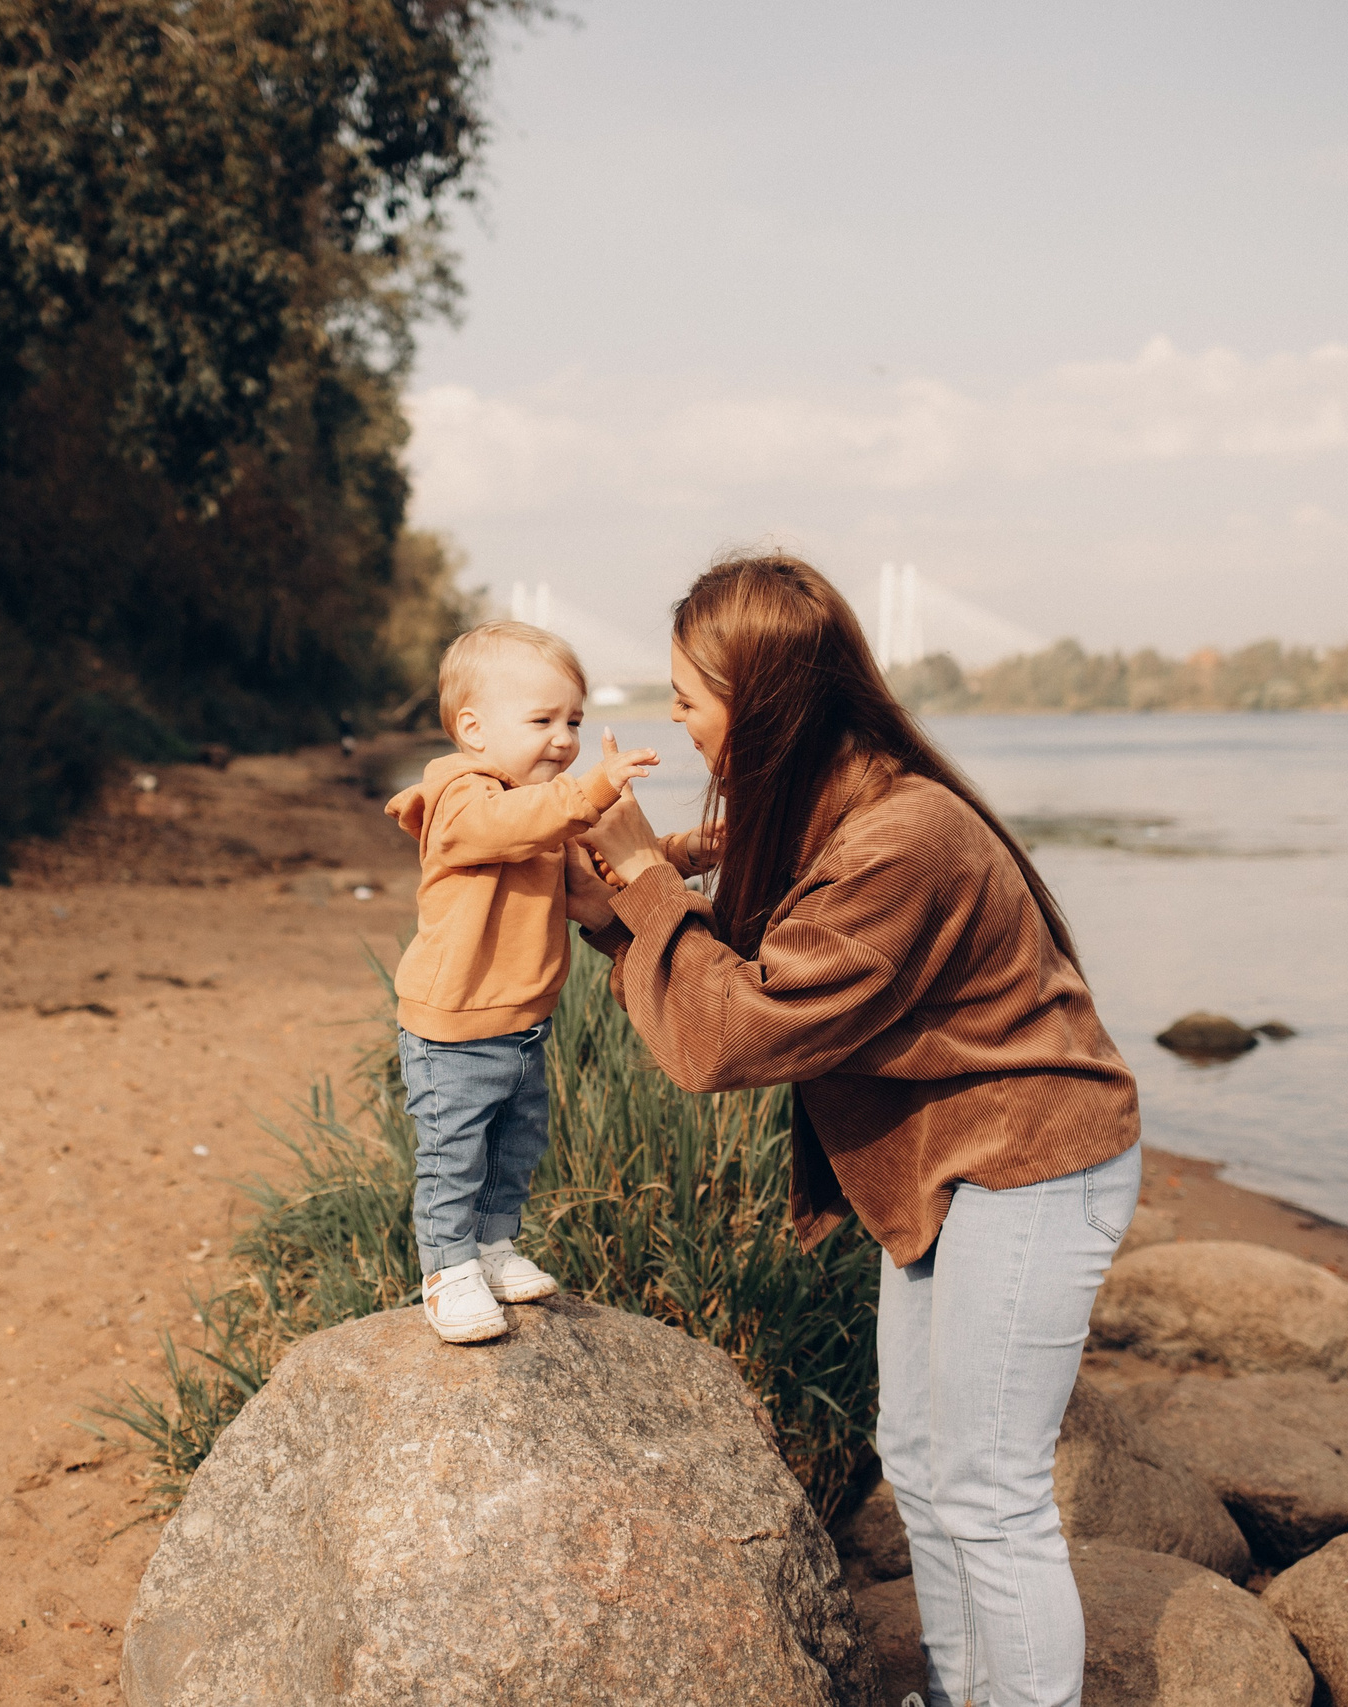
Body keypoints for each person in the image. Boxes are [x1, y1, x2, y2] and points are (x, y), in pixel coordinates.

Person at [566, 555, 1140, 1707]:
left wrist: (635, 873)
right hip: (949, 1162)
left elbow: (738, 1028)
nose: (677, 726)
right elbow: (737, 938)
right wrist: (619, 902)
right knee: (923, 1467)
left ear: (761, 703)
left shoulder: (900, 836)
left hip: (1030, 1162)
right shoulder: (830, 806)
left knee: (988, 1491)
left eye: (687, 699)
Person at [385, 620, 660, 1342]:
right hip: (453, 1026)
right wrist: (592, 788)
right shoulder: (461, 798)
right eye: (543, 721)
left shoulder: (542, 811)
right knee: (453, 1152)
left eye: (574, 721)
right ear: (472, 729)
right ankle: (447, 1269)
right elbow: (503, 825)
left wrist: (687, 853)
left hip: (523, 1023)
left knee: (515, 1142)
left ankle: (491, 1244)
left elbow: (604, 874)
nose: (564, 739)